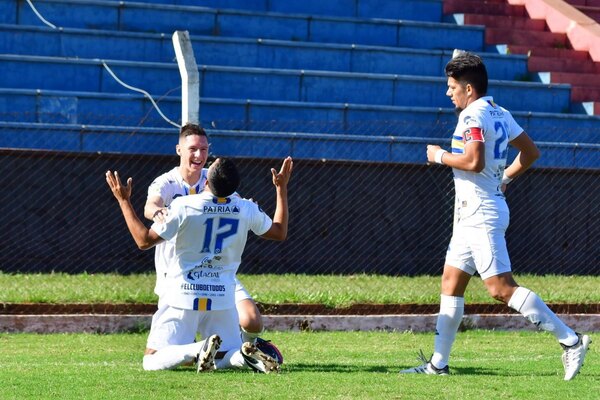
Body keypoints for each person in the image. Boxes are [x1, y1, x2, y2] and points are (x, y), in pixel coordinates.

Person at [399, 52, 590, 380]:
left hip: (480, 214)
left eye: (452, 87)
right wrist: (504, 178)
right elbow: (530, 152)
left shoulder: (472, 116)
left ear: (468, 89)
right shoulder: (500, 112)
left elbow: (473, 161)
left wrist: (439, 156)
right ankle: (437, 365)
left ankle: (570, 341)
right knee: (451, 282)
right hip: (476, 212)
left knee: (501, 288)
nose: (449, 93)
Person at [106, 156, 293, 373]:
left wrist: (123, 200)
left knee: (151, 361)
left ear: (206, 181)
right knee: (225, 355)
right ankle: (243, 358)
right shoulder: (245, 208)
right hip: (223, 297)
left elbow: (143, 240)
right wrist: (281, 188)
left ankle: (197, 349)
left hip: (183, 294)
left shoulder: (183, 206)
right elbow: (279, 232)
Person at [144, 123, 265, 345]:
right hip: (177, 275)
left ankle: (248, 349)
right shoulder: (167, 182)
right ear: (179, 150)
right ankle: (211, 350)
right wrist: (158, 211)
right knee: (178, 350)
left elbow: (235, 201)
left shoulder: (213, 178)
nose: (199, 155)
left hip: (215, 272)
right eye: (193, 149)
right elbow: (150, 205)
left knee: (252, 320)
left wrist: (249, 206)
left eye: (204, 149)